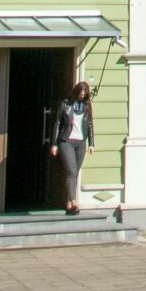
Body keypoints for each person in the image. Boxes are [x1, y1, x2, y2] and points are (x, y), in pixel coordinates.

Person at [52, 77, 94, 215]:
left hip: (81, 142)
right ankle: (74, 202)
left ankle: (69, 204)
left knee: (74, 173)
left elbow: (90, 124)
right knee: (71, 171)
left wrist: (91, 143)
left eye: (85, 92)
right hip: (66, 141)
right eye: (81, 92)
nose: (83, 94)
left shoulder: (87, 105)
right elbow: (57, 123)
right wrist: (54, 143)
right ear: (76, 91)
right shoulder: (65, 104)